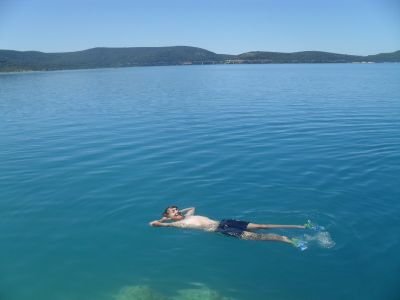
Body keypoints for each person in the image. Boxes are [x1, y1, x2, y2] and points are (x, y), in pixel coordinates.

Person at [149, 205, 311, 250]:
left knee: (262, 225)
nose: (177, 211)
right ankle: (290, 241)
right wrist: (164, 218)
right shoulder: (177, 224)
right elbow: (155, 224)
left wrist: (176, 211)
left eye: (176, 209)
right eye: (173, 211)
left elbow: (192, 206)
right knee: (261, 237)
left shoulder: (188, 216)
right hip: (222, 230)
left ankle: (300, 226)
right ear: (169, 216)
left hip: (225, 222)